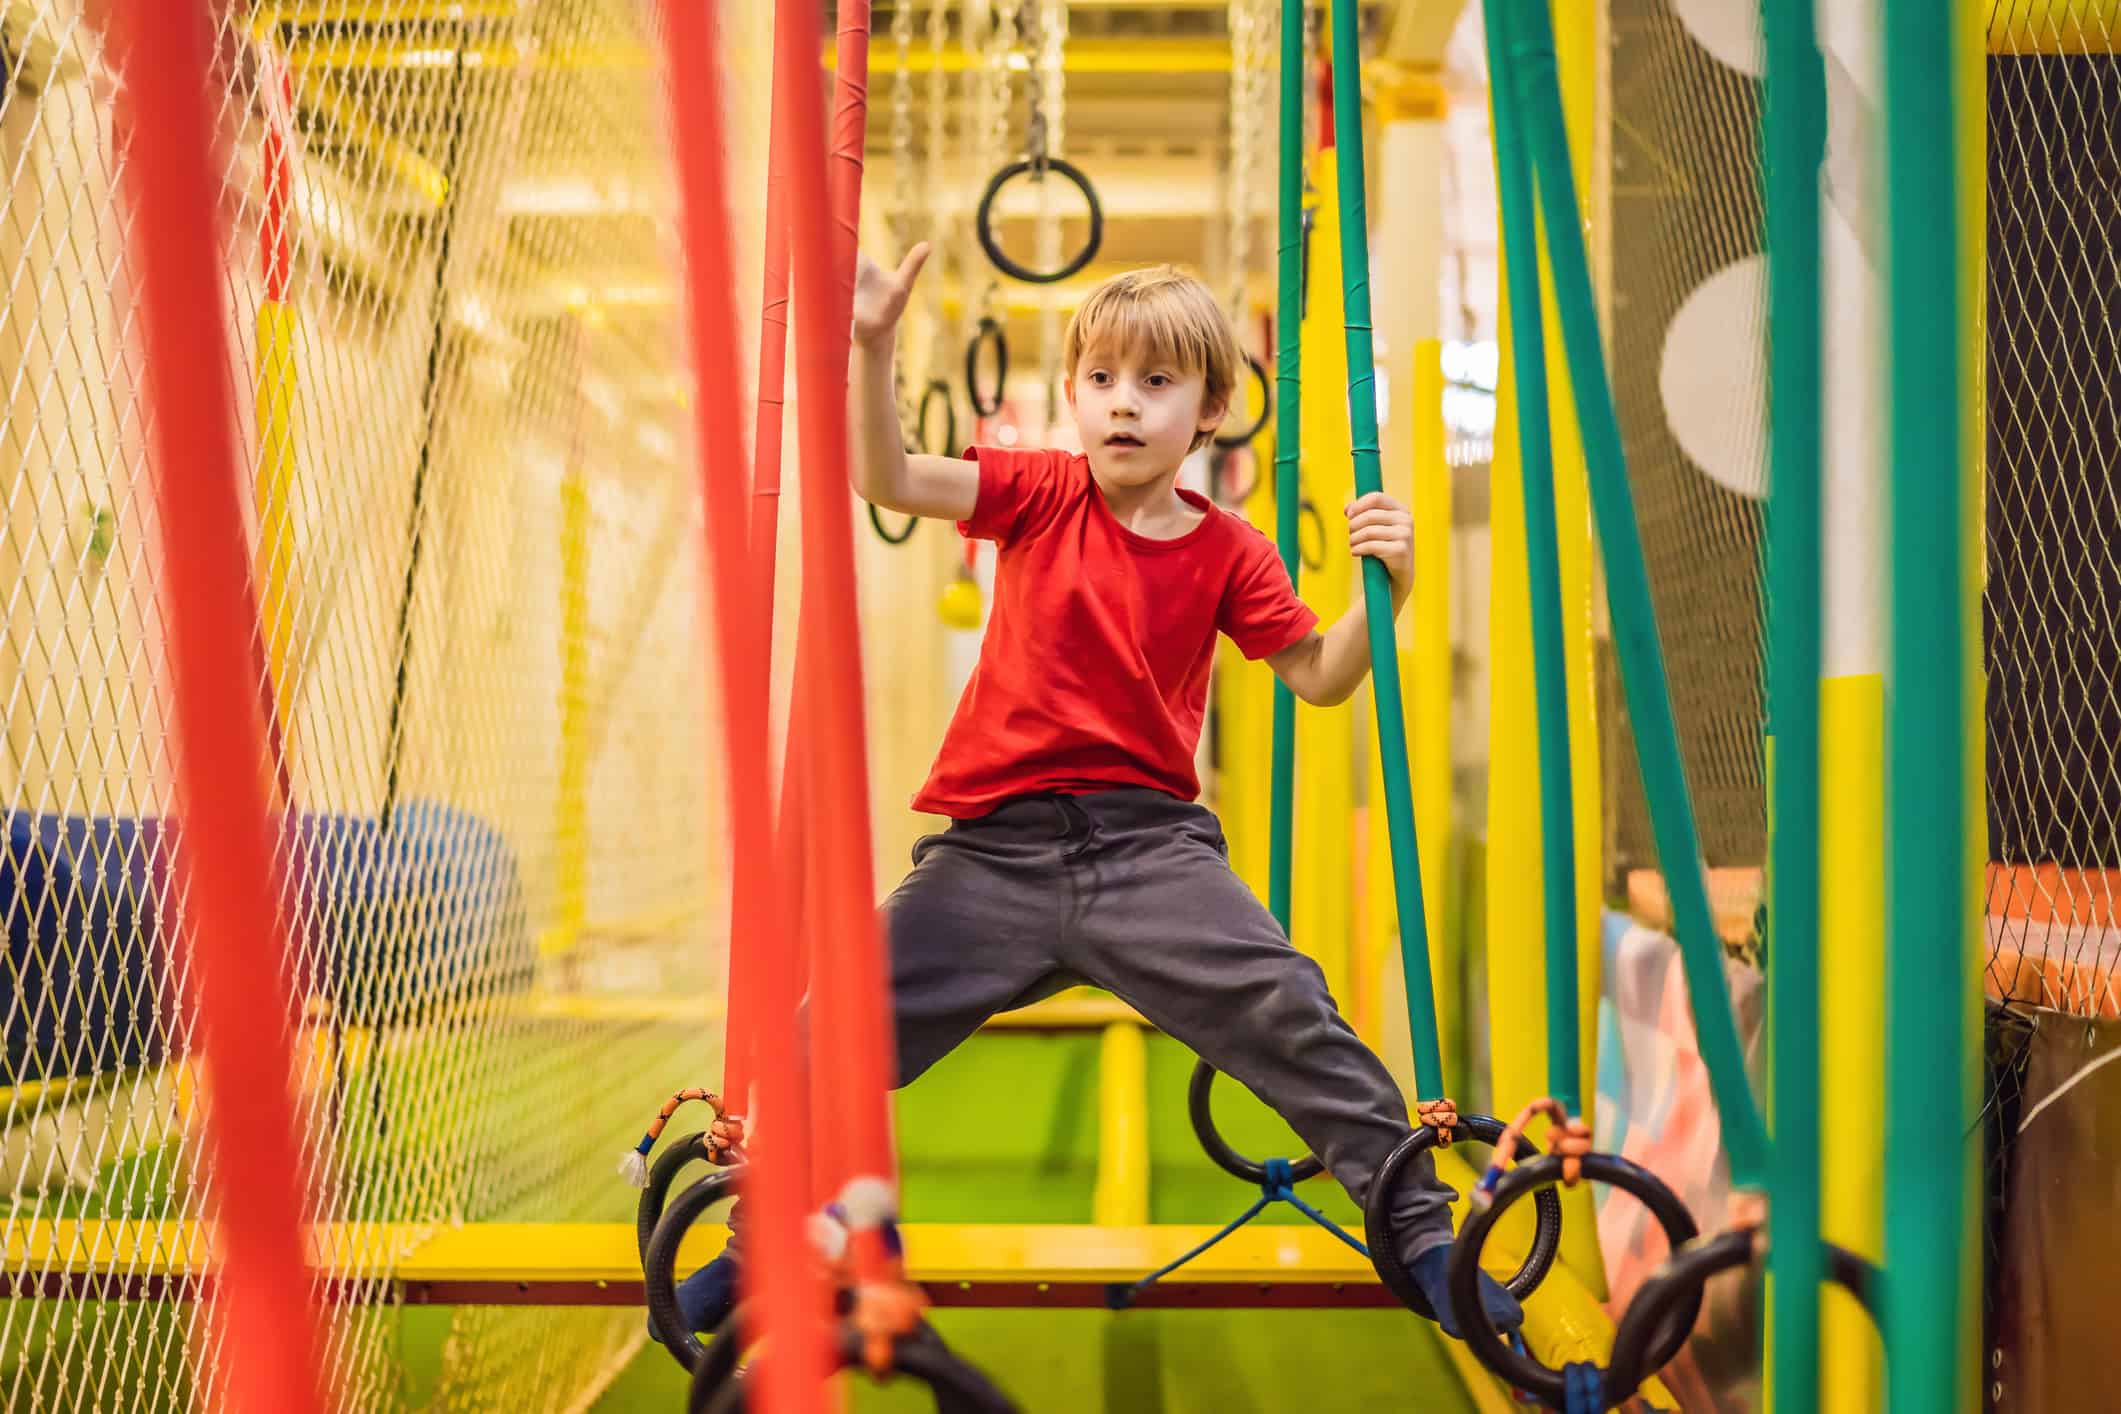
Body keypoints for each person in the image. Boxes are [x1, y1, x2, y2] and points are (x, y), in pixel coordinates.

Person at [671, 249, 1523, 1344]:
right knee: (823, 1036)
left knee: (1295, 1014)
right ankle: (764, 1250)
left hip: (1149, 854)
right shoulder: (1037, 492)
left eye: (1157, 383)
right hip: (993, 857)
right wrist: (873, 344)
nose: (1124, 403)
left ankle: (1423, 1236)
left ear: (1210, 409)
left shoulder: (1228, 550)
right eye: (1103, 379)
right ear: (1073, 395)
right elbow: (884, 479)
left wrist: (1389, 597)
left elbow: (1318, 675)